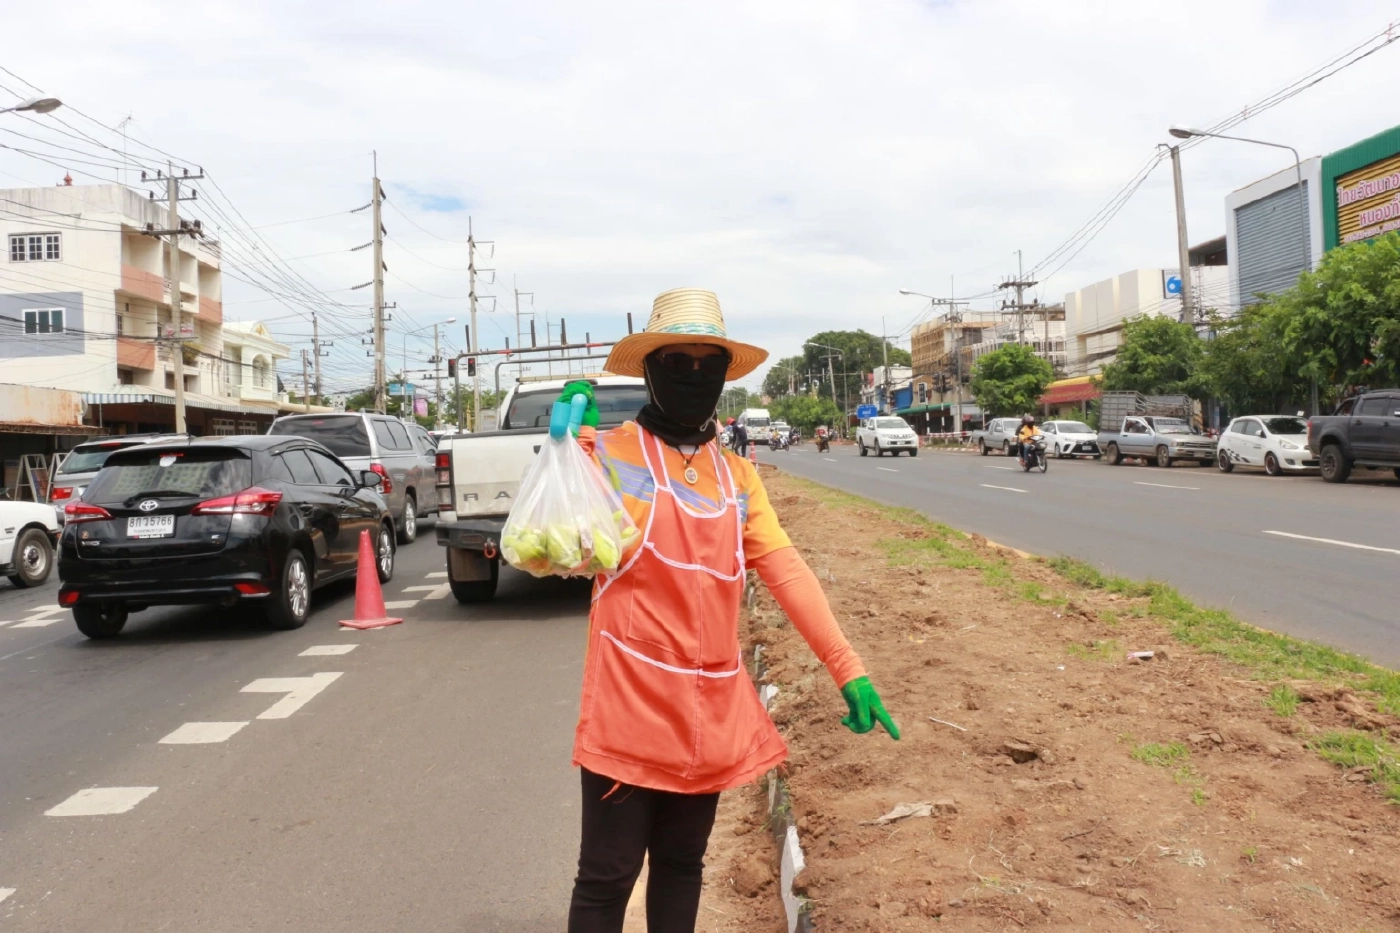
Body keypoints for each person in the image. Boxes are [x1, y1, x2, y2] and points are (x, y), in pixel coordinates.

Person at [558, 289, 898, 933]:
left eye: (705, 362)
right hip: (628, 706)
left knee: (683, 864)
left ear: (724, 375)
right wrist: (562, 448)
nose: (692, 374)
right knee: (607, 876)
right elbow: (555, 550)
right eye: (675, 361)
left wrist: (846, 667)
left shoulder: (739, 477)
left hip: (707, 706)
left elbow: (787, 570)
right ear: (649, 369)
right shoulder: (607, 452)